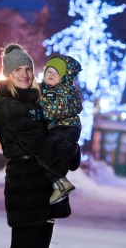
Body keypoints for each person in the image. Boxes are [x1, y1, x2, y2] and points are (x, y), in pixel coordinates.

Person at [0, 43, 77, 248]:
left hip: (45, 192)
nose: (24, 74)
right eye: (17, 70)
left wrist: (72, 149)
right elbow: (37, 145)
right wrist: (61, 164)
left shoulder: (39, 102)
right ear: (8, 74)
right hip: (25, 191)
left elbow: (56, 135)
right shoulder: (8, 106)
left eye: (28, 69)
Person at [40, 55, 83, 204]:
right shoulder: (48, 90)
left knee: (45, 151)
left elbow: (54, 111)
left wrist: (35, 113)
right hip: (61, 129)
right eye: (48, 71)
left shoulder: (65, 91)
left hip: (66, 129)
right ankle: (74, 151)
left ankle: (60, 183)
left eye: (55, 72)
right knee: (51, 153)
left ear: (64, 77)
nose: (51, 75)